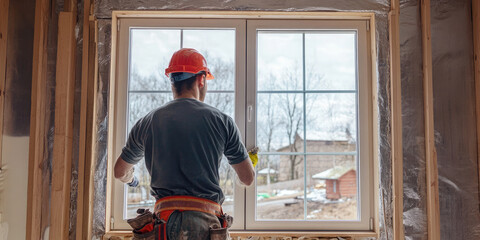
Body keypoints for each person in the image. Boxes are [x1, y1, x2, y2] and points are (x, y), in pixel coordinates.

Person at [114, 48, 256, 240]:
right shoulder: (222, 121)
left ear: (172, 81)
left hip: (161, 225)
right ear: (201, 79)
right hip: (206, 225)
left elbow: (120, 171)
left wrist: (132, 180)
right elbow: (247, 178)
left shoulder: (148, 121)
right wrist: (245, 168)